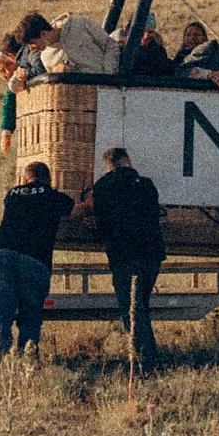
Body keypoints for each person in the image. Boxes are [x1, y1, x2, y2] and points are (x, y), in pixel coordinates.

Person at [78, 147, 167, 374]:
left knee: (132, 310)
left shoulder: (103, 187)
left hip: (124, 254)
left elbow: (97, 220)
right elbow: (154, 212)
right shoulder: (146, 184)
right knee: (141, 306)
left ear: (109, 165)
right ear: (127, 161)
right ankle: (145, 360)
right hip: (151, 253)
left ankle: (146, 364)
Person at [0, 160, 73, 358]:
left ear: (25, 178)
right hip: (34, 257)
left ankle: (1, 357)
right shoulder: (54, 196)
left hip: (1, 253)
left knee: (1, 309)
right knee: (31, 313)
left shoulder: (12, 194)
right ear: (49, 180)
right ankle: (27, 357)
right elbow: (74, 209)